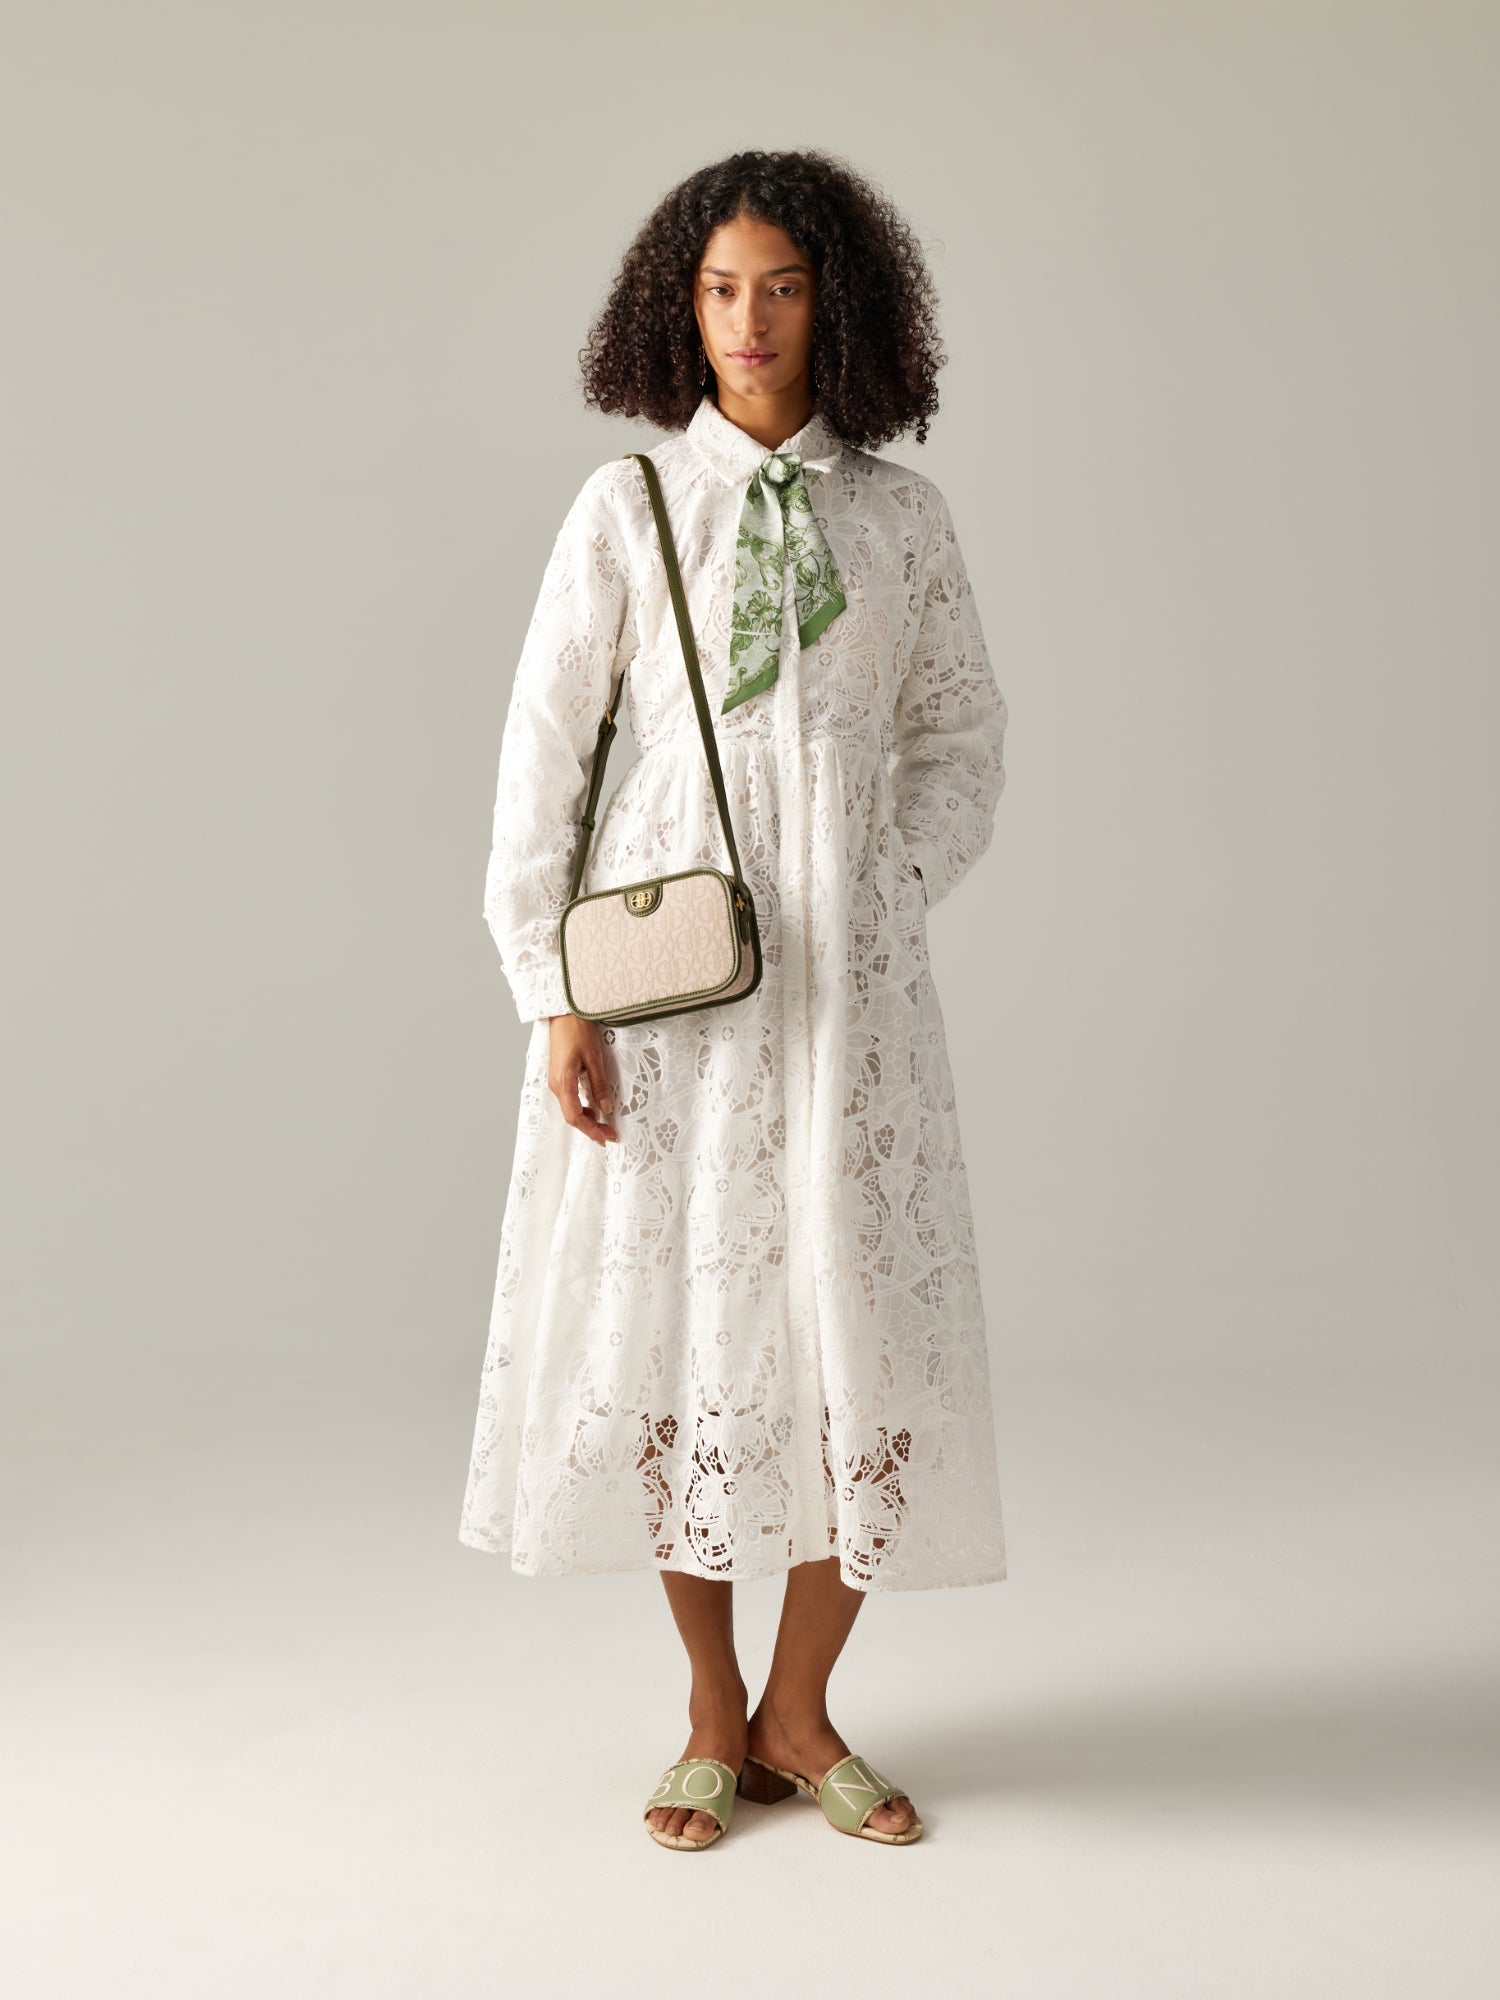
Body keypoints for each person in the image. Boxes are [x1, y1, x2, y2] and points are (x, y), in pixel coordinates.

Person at [459, 147, 1010, 1851]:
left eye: (780, 287)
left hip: (854, 996)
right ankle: (713, 1709)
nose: (750, 321)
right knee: (689, 1329)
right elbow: (543, 756)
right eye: (719, 290)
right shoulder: (630, 508)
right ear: (677, 309)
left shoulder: (902, 519)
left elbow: (962, 737)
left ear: (837, 302)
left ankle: (801, 1709)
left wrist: (887, 879)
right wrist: (554, 990)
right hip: (672, 995)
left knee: (861, 1331)